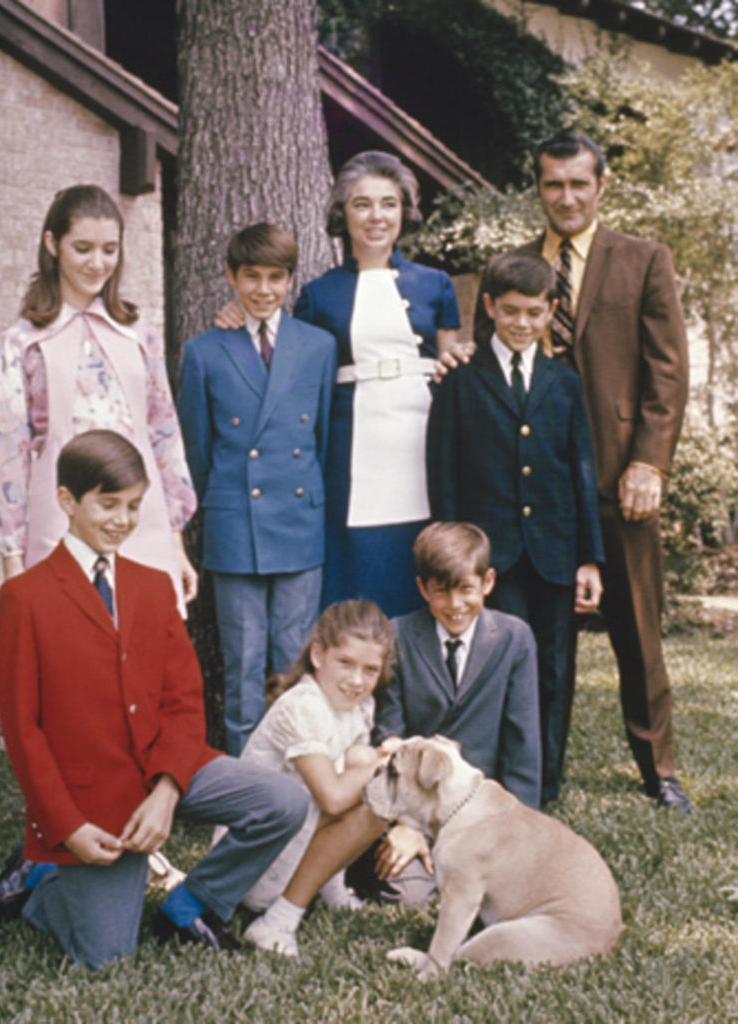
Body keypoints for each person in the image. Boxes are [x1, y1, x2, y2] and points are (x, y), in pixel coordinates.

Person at [0, 430, 308, 968]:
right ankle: (38, 882)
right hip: (92, 800)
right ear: (66, 501)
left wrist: (169, 789)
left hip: (168, 768)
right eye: (108, 504)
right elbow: (23, 731)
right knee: (106, 956)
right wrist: (68, 829)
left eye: (133, 506)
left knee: (283, 802)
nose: (123, 520)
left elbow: (183, 699)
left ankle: (192, 905)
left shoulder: (152, 585)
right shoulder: (24, 599)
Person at [474, 130, 691, 812]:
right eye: (551, 184)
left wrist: (649, 462)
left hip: (613, 477)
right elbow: (487, 356)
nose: (564, 197)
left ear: (600, 186)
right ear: (536, 188)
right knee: (538, 640)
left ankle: (657, 767)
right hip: (532, 488)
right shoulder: (510, 269)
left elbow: (666, 368)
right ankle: (537, 773)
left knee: (636, 629)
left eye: (577, 184)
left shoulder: (642, 259)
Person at [217, 151, 467, 617]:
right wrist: (241, 316)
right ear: (342, 214)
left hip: (422, 443)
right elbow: (289, 366)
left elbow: (449, 366)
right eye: (362, 204)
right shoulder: (319, 293)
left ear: (404, 211)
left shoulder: (436, 284)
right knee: (356, 567)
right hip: (352, 448)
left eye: (389, 203)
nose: (377, 216)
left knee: (422, 553)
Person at [428, 252, 604, 802]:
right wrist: (457, 559)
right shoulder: (460, 381)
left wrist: (589, 558)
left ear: (551, 310)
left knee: (553, 667)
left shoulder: (564, 382)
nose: (522, 324)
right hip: (489, 558)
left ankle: (543, 783)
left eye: (534, 312)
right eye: (510, 312)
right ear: (488, 308)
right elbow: (445, 474)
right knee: (492, 668)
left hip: (552, 551)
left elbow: (581, 471)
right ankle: (490, 781)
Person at [0, 185, 196, 614]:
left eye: (109, 250)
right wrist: (13, 567)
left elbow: (165, 437)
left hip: (141, 523)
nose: (98, 263)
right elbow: (3, 457)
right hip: (58, 525)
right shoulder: (21, 344)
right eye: (83, 248)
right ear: (52, 244)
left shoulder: (140, 336)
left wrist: (176, 544)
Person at [177, 223, 336, 755]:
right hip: (235, 525)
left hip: (298, 521)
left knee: (295, 657)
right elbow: (196, 450)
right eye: (251, 277)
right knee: (242, 662)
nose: (263, 290)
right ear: (230, 277)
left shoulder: (318, 346)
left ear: (291, 280)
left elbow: (324, 437)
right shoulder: (204, 351)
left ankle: (297, 774)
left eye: (275, 277)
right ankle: (245, 785)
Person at [367, 521, 541, 907]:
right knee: (410, 898)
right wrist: (408, 825)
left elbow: (522, 748)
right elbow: (388, 738)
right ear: (422, 587)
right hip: (418, 811)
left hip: (484, 812)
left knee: (505, 895)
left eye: (466, 588)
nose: (455, 604)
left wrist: (516, 834)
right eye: (440, 590)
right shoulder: (397, 635)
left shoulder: (514, 639)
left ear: (488, 582)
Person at [216, 600, 394, 958]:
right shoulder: (304, 706)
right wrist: (383, 761)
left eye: (370, 670)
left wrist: (372, 762)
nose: (357, 681)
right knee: (379, 791)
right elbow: (331, 798)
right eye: (345, 663)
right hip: (253, 862)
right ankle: (278, 921)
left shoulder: (359, 705)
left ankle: (329, 884)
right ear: (317, 655)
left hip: (297, 838)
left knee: (369, 771)